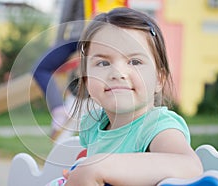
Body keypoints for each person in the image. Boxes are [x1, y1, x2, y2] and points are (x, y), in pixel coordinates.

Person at [48, 7, 203, 185]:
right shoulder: (94, 125)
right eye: (103, 62)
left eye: (135, 61)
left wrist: (99, 167)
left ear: (159, 79)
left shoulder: (156, 126)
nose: (118, 73)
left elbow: (190, 166)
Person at [32, 0, 84, 139]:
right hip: (106, 38)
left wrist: (57, 42)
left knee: (40, 69)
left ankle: (58, 108)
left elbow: (66, 18)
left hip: (78, 38)